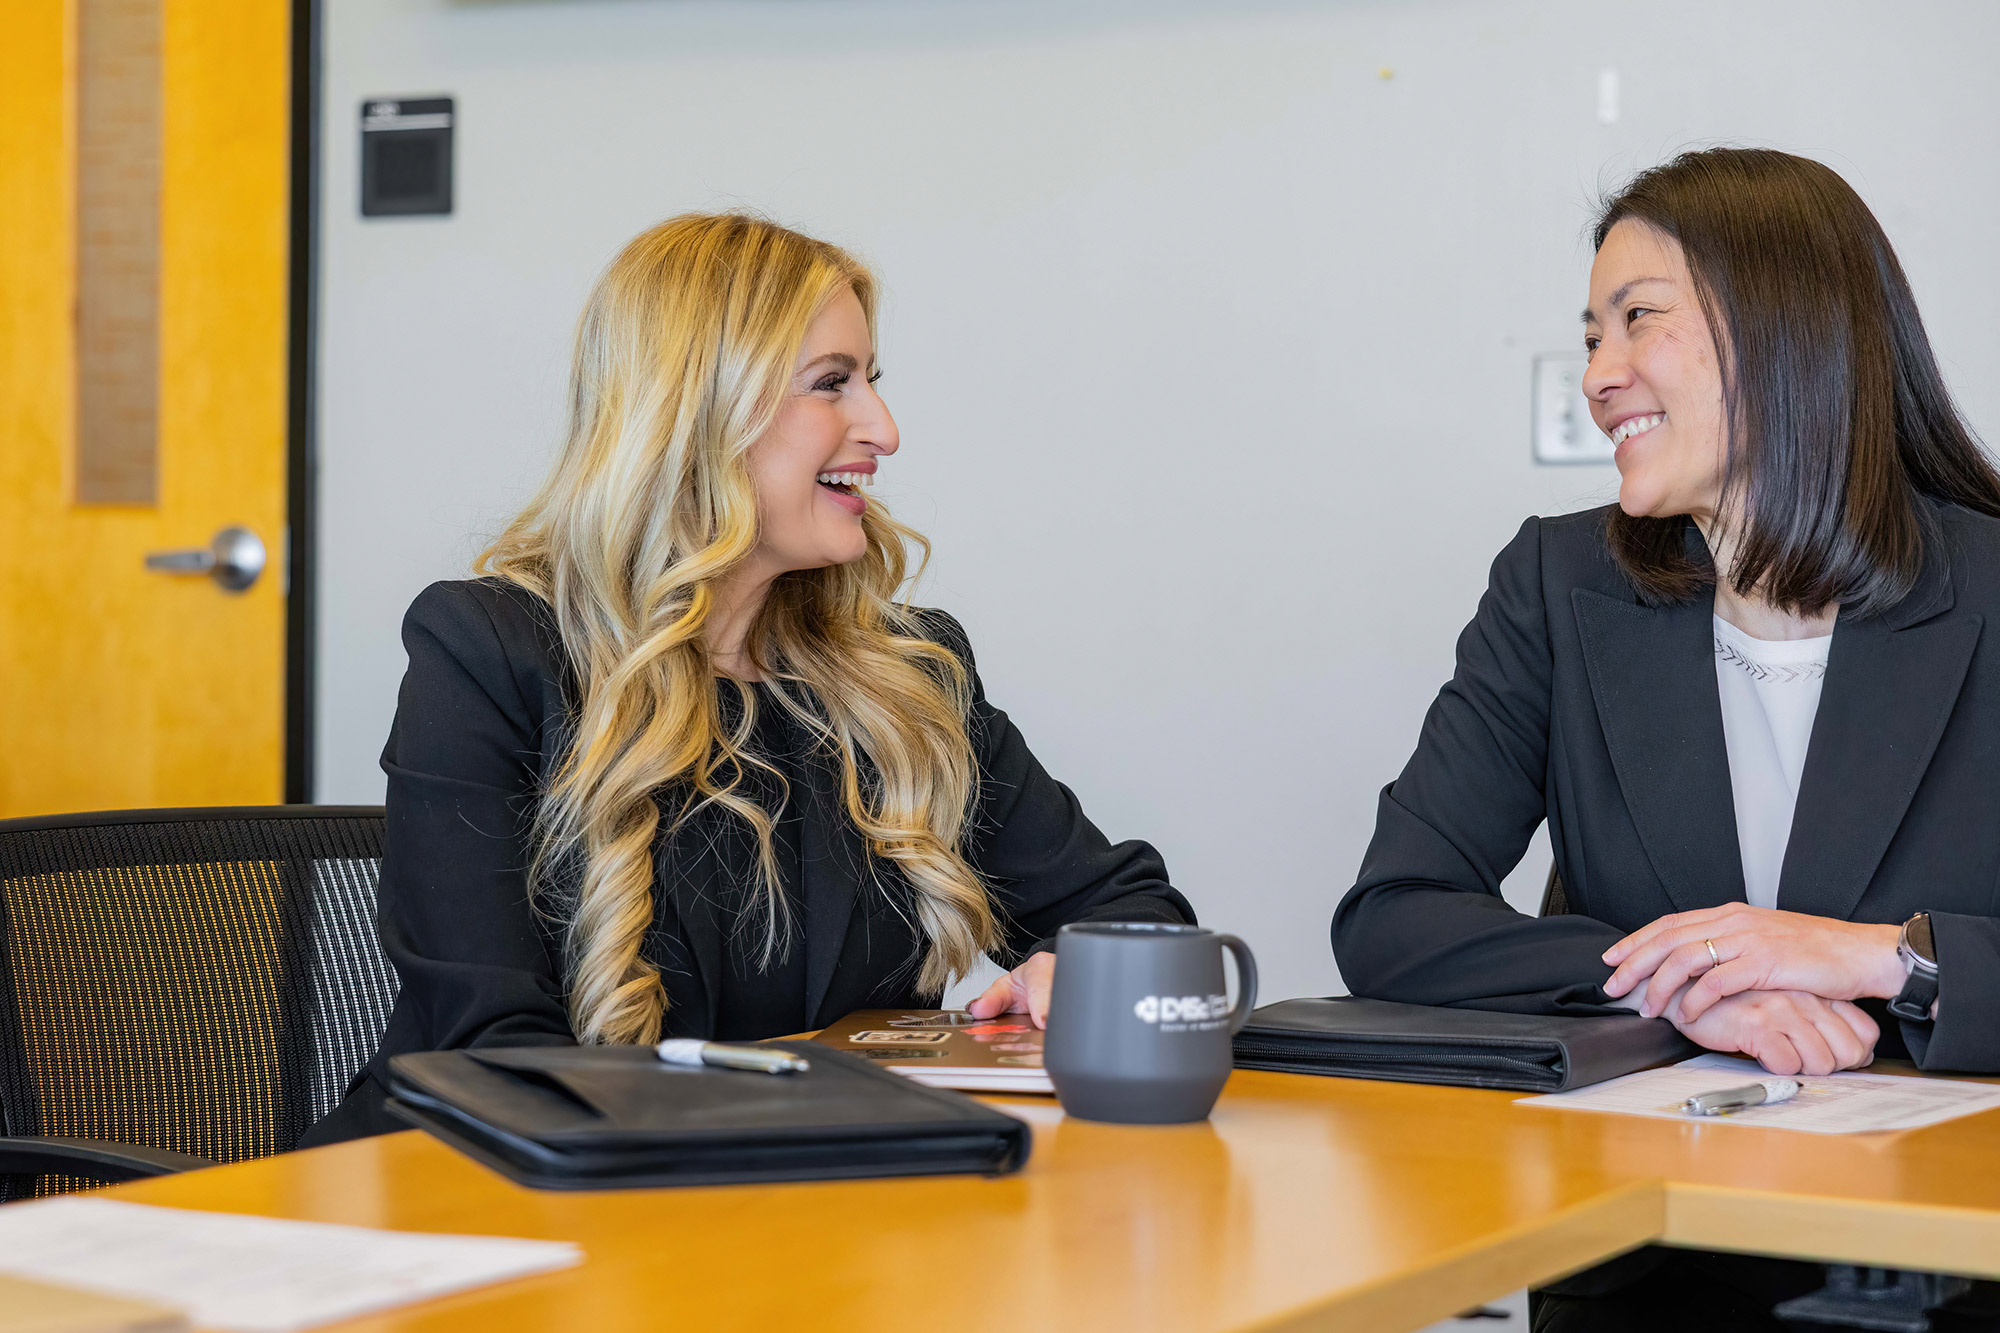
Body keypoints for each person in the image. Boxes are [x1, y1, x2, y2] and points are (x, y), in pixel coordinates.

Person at [307, 214, 1192, 1145]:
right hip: (496, 1217)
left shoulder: (907, 673)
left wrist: (1080, 970)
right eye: (832, 385)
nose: (883, 430)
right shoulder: (488, 650)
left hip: (797, 1220)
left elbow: (1133, 913)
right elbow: (488, 1052)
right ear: (697, 409)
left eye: (872, 383)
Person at [1333, 148, 2000, 1330]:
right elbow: (1393, 911)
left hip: (1945, 1270)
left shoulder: (1988, 589)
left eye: (1635, 320)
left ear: (1783, 324)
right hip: (1643, 1265)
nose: (1598, 374)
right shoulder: (1555, 580)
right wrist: (1681, 990)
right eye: (1590, 334)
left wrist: (1888, 959)